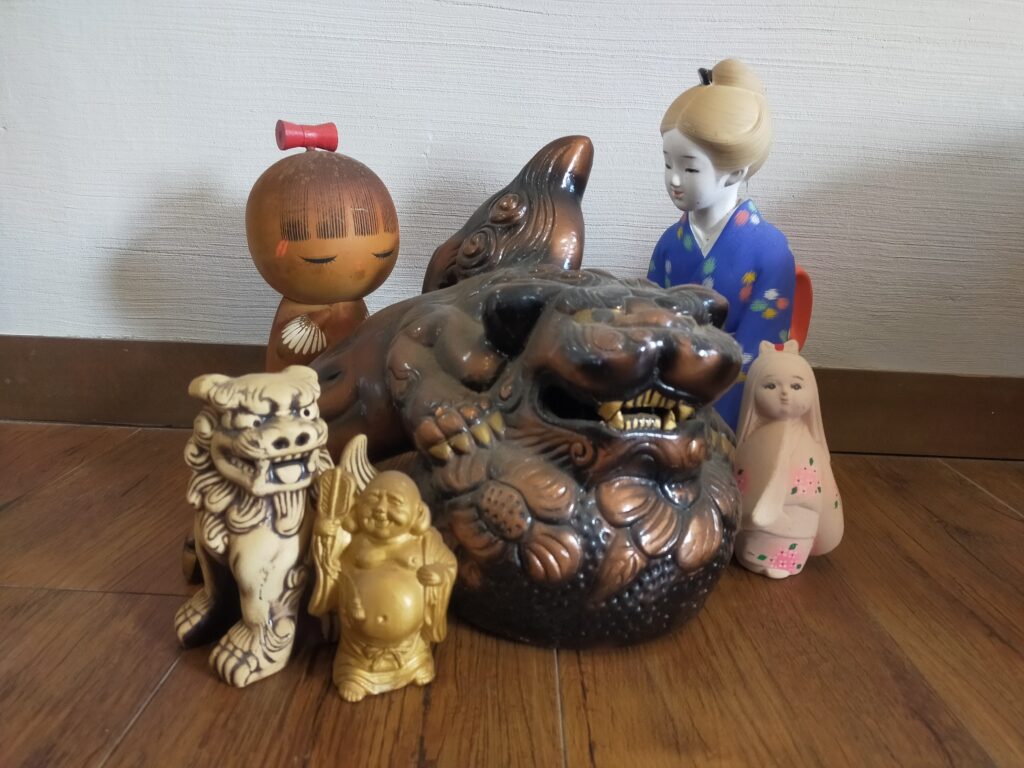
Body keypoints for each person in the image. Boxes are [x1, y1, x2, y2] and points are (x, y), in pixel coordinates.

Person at [648, 59, 794, 430]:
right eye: (668, 164)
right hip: (666, 388)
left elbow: (761, 346)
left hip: (732, 397)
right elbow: (650, 323)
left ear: (735, 173)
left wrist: (709, 405)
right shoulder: (670, 244)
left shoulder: (770, 250)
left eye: (690, 168)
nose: (674, 179)